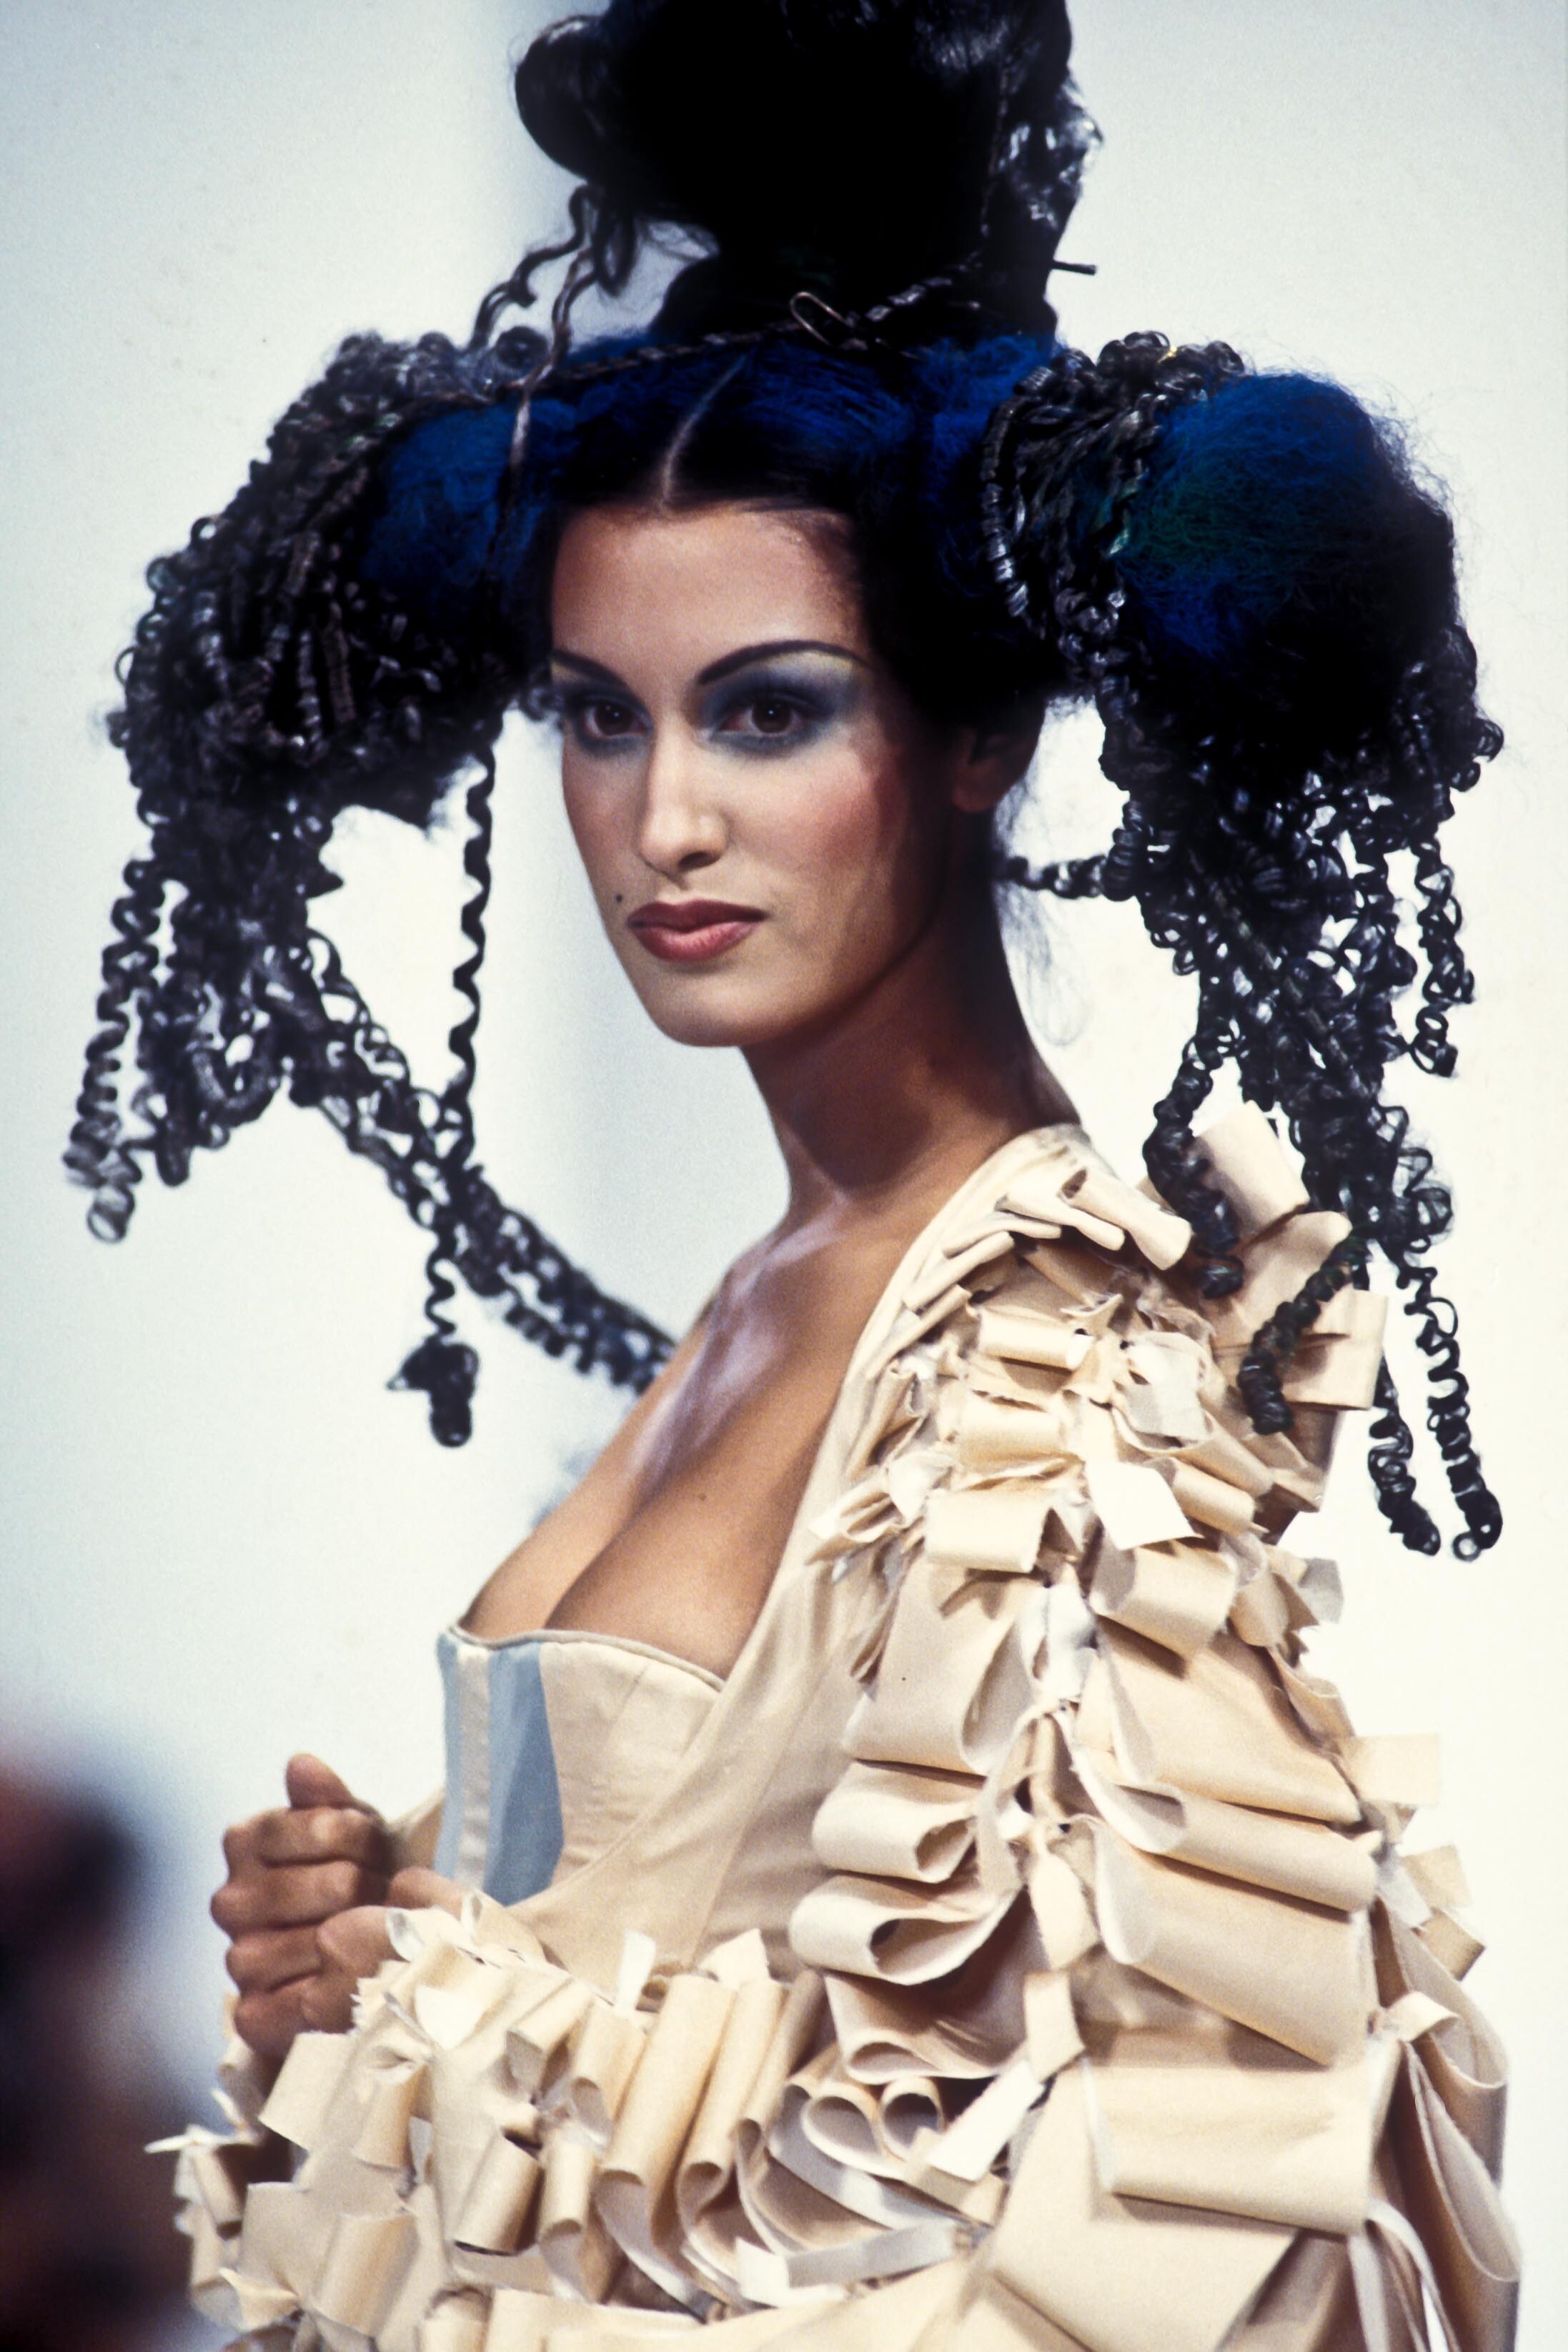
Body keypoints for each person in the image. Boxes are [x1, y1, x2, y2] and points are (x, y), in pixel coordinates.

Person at [74, 4, 1517, 2344]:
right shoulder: (774, 1290)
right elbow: (638, 1984)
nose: (662, 819)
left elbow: (1202, 2203)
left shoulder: (1052, 1378)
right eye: (597, 715)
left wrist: (435, 2027)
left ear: (971, 734)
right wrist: (355, 1953)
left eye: (768, 709)